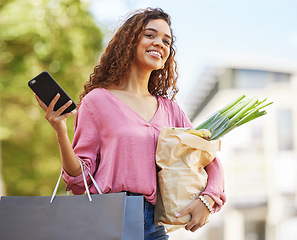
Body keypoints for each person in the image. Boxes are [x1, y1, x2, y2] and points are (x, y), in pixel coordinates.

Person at [35, 7, 226, 240]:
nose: (160, 43)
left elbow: (207, 157)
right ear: (129, 41)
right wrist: (60, 131)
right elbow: (80, 179)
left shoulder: (170, 110)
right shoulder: (97, 101)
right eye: (150, 35)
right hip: (108, 221)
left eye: (167, 41)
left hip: (154, 225)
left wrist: (208, 199)